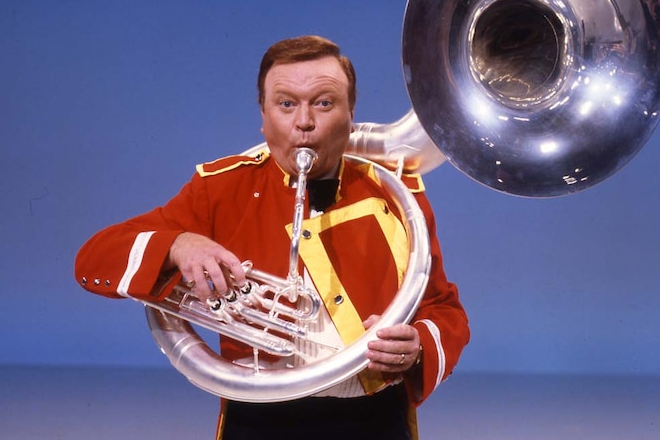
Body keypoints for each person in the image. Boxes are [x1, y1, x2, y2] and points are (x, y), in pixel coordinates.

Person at [74, 35, 469, 440]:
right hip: (259, 421)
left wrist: (417, 344)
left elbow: (443, 308)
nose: (304, 122)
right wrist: (178, 245)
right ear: (263, 116)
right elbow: (92, 259)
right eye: (286, 104)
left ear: (351, 115)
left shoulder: (396, 193)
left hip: (374, 417)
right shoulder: (221, 189)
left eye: (323, 102)